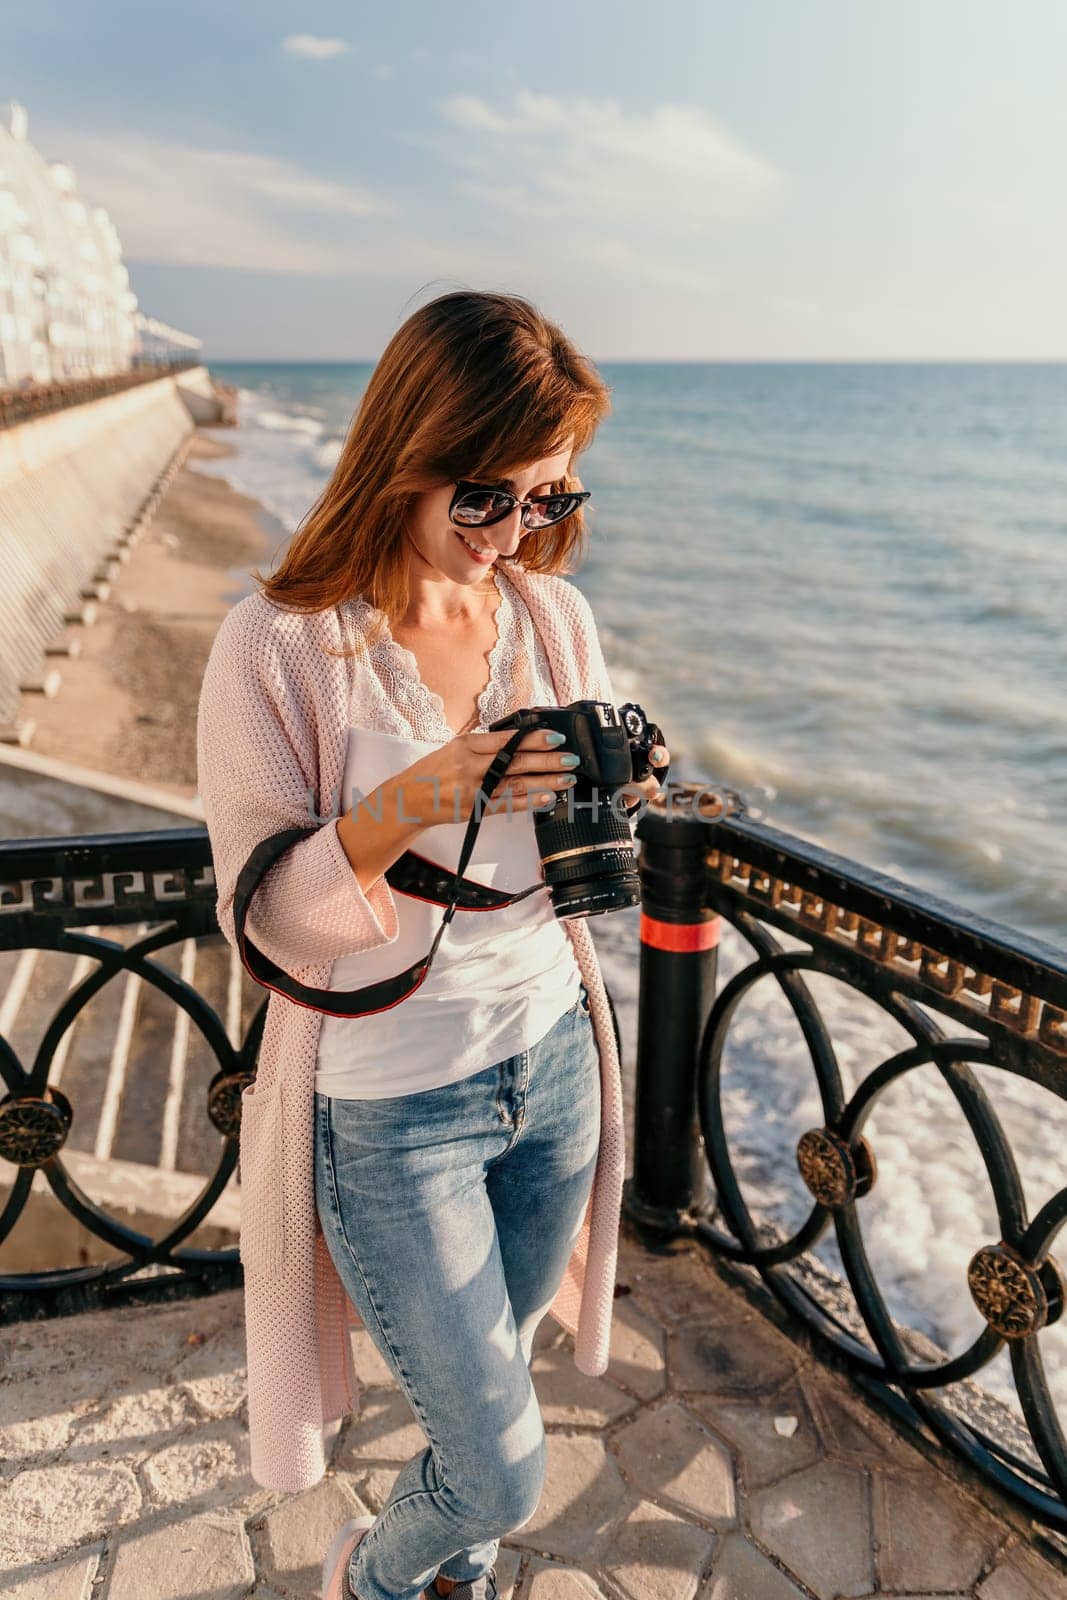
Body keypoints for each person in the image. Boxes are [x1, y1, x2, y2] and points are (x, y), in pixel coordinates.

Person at [196, 289, 669, 1600]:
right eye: (487, 497)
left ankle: (450, 1571)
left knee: (492, 1388)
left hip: (555, 1065)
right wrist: (426, 791)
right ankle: (374, 1577)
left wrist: (613, 781)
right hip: (392, 1110)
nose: (518, 532)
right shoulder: (283, 647)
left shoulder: (548, 624)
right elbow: (269, 915)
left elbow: (559, 835)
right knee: (506, 1463)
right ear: (403, 460)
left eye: (553, 499)